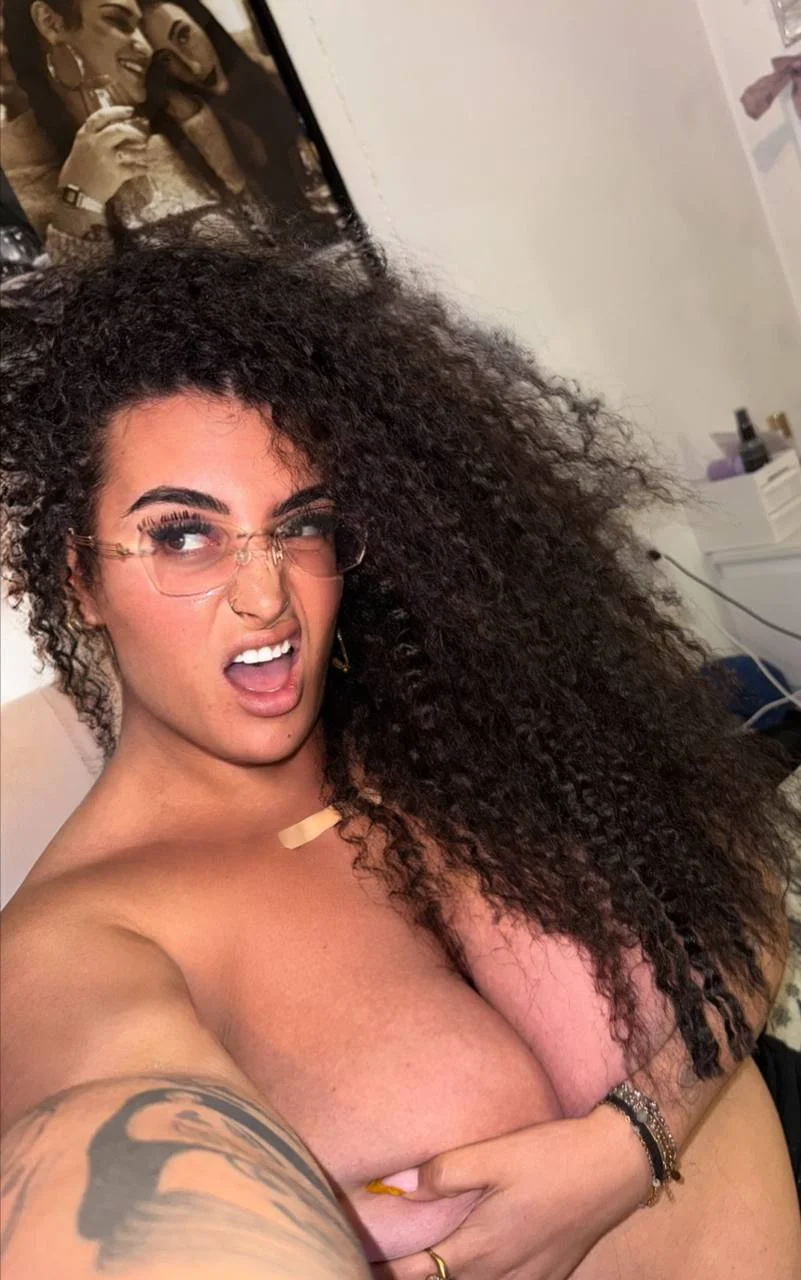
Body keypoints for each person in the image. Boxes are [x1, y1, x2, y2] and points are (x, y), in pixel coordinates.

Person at [1, 235, 799, 1280]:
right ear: (81, 581)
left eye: (300, 525)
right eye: (184, 535)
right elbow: (122, 1193)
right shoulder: (74, 950)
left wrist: (631, 1142)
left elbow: (737, 899)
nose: (265, 594)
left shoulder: (432, 739)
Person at [0, 0, 261, 263]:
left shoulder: (174, 117)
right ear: (50, 23)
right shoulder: (18, 177)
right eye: (117, 20)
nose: (146, 48)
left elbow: (263, 231)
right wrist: (80, 201)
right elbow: (70, 288)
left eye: (140, 27)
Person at [139, 0, 343, 241]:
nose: (192, 66)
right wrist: (192, 115)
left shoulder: (278, 75)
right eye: (166, 60)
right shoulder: (187, 125)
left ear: (203, 24)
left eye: (184, 36)